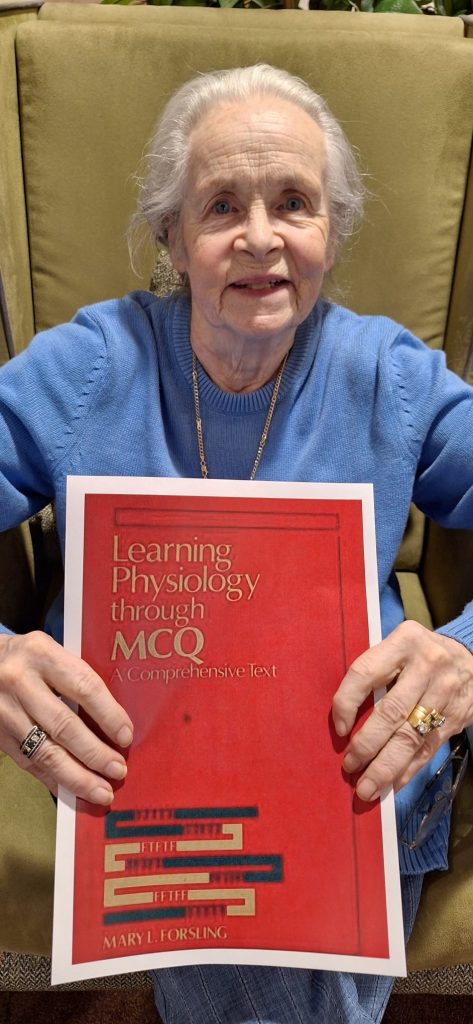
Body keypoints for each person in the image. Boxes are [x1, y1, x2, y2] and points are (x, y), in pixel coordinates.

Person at [0, 63, 472, 1023]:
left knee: (315, 829)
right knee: (226, 861)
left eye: (292, 202)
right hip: (138, 746)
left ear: (330, 230)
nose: (261, 237)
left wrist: (466, 653)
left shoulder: (389, 377)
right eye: (221, 205)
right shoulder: (88, 368)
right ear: (172, 236)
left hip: (357, 739)